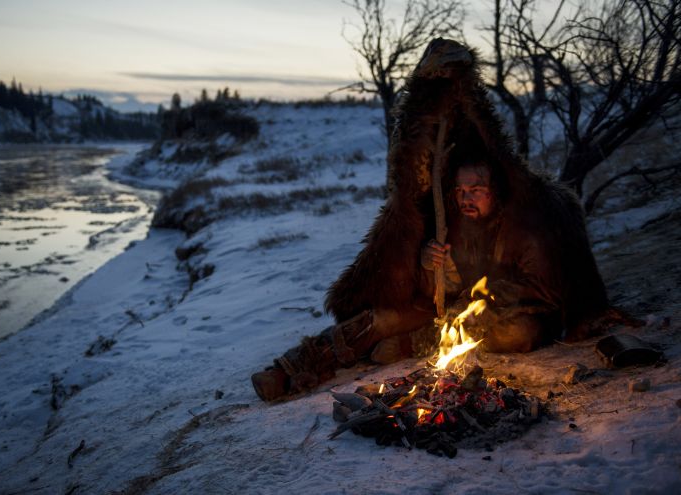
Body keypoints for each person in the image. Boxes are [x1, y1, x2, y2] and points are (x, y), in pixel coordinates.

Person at [251, 38, 608, 402]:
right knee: (379, 319)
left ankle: (412, 343)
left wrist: (475, 301)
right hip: (445, 315)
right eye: (460, 190)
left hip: (504, 317)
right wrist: (429, 265)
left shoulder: (526, 223)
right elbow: (433, 289)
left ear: (495, 190)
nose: (467, 197)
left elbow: (543, 290)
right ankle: (292, 368)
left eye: (477, 189)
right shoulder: (453, 219)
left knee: (520, 333)